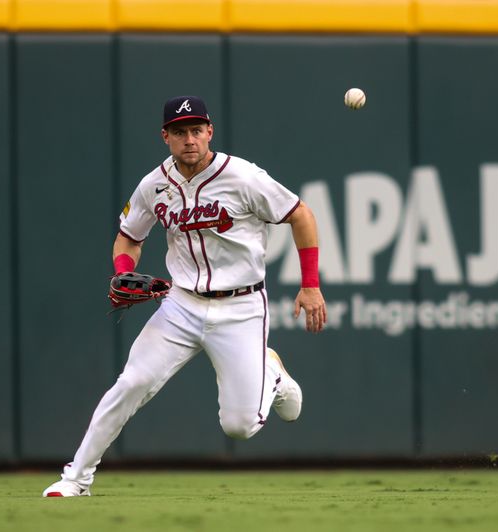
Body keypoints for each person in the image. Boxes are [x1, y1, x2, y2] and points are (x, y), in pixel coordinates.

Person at [43, 95, 327, 497]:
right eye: (179, 132)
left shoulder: (243, 177)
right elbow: (128, 237)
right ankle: (76, 479)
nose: (189, 139)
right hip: (181, 304)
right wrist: (123, 271)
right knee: (131, 384)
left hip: (241, 307)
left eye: (196, 130)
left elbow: (301, 215)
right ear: (166, 137)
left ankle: (273, 374)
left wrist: (310, 284)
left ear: (210, 131)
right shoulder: (154, 185)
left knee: (239, 427)